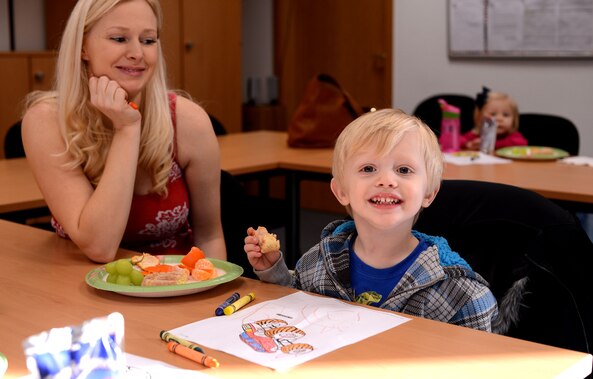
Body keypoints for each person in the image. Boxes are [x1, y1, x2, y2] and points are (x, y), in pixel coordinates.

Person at [244, 109, 499, 332]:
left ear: (429, 193)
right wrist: (273, 270)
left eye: (403, 170)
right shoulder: (317, 263)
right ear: (341, 191)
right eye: (368, 169)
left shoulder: (461, 294)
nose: (387, 180)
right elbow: (295, 307)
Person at [21, 0, 226, 263]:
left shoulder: (189, 121)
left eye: (148, 40)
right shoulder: (45, 121)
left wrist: (209, 296)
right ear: (83, 47)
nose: (137, 53)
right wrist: (127, 128)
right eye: (119, 38)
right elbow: (100, 246)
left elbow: (210, 236)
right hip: (80, 290)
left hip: (176, 289)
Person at [460, 87, 527, 151]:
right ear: (480, 117)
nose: (499, 119)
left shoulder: (513, 136)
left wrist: (490, 144)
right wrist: (468, 144)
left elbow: (521, 143)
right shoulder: (477, 134)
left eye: (506, 115)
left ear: (514, 119)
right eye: (493, 114)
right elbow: (457, 140)